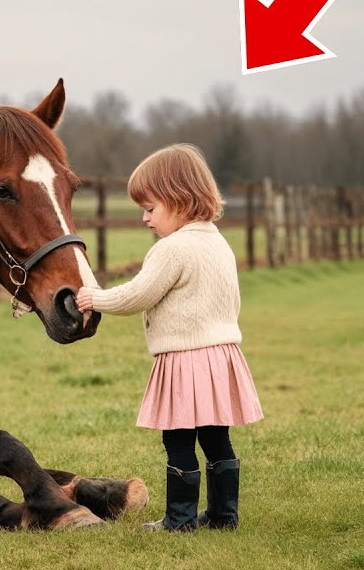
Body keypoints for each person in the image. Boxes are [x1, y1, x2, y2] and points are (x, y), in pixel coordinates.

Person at [76, 143, 262, 532]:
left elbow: (137, 295)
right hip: (220, 357)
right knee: (215, 439)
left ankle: (179, 521)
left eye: (150, 208)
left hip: (185, 360)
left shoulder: (171, 249)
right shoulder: (218, 243)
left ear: (179, 200)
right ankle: (224, 516)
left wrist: (95, 297)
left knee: (178, 441)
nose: (144, 218)